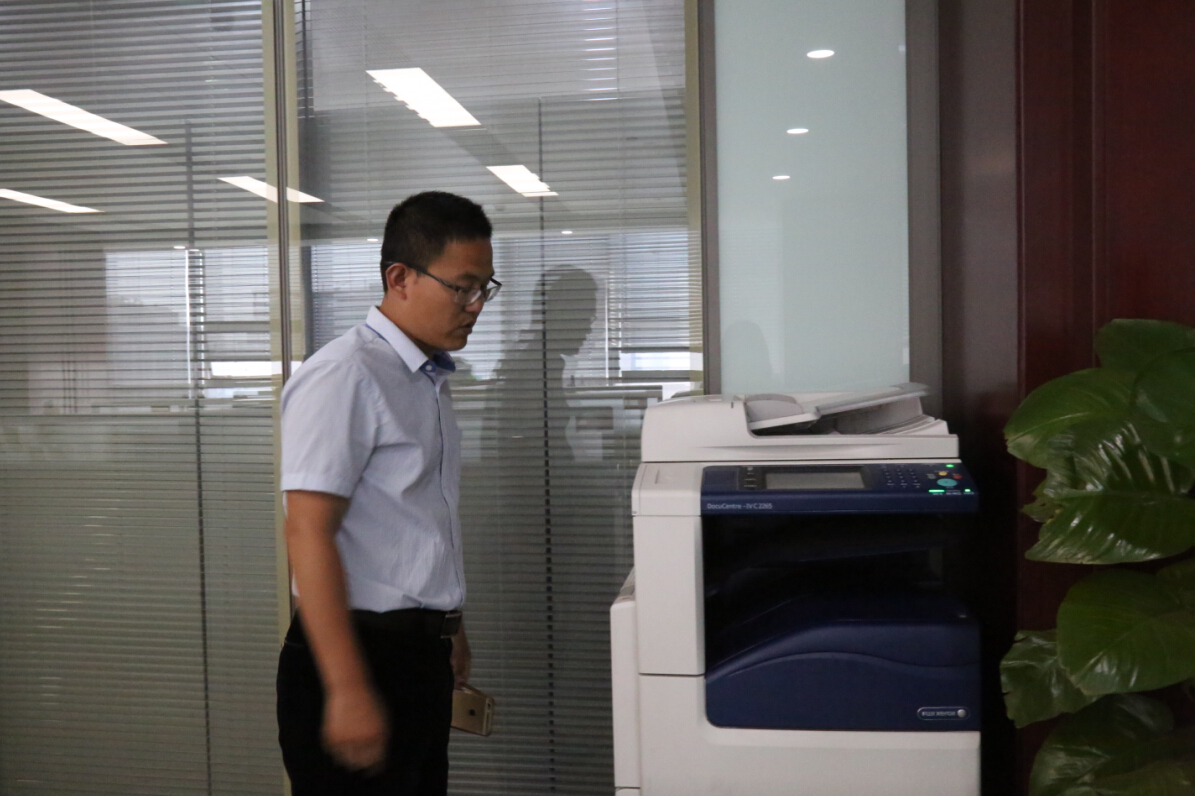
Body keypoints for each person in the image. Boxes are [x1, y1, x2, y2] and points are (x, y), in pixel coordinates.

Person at [276, 191, 498, 796]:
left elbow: (414, 519)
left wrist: (449, 627)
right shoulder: (346, 374)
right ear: (399, 278)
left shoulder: (425, 378)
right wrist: (347, 689)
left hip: (418, 660)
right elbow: (307, 532)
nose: (476, 306)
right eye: (462, 288)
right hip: (356, 658)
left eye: (485, 288)